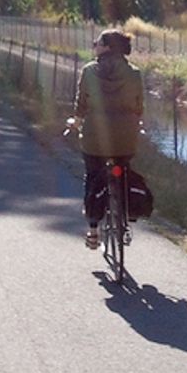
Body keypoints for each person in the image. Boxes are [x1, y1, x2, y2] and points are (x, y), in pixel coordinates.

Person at [72, 29, 144, 249]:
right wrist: (136, 122)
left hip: (95, 138)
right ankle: (124, 214)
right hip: (125, 138)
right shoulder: (134, 73)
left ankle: (93, 232)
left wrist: (75, 122)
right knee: (123, 168)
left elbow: (81, 104)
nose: (94, 45)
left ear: (107, 47)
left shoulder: (90, 71)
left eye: (98, 42)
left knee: (93, 176)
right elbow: (139, 105)